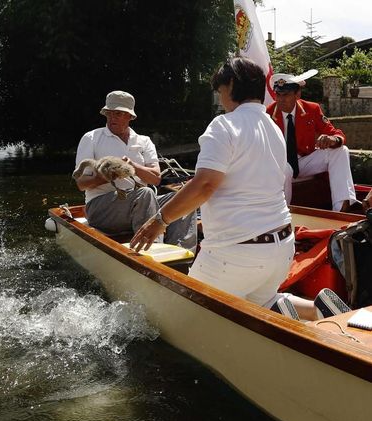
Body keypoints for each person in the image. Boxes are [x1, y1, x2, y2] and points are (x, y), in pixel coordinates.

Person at [130, 57, 349, 321]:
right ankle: (315, 309)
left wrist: (159, 220)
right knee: (263, 298)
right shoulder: (273, 128)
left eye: (220, 91)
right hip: (281, 248)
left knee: (184, 313)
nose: (221, 98)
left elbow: (205, 184)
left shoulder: (223, 125)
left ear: (231, 84)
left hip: (235, 253)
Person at [74, 91, 196, 251]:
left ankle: (182, 253)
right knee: (145, 194)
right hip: (100, 209)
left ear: (130, 117)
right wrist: (109, 174)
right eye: (108, 114)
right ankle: (153, 251)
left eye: (117, 114)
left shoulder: (144, 141)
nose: (111, 118)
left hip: (141, 202)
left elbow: (155, 179)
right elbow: (81, 184)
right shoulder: (91, 138)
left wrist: (131, 166)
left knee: (184, 198)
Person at [266, 71, 357, 212]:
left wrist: (332, 139)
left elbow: (336, 133)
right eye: (278, 95)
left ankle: (341, 209)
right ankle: (282, 214)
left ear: (297, 95)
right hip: (281, 164)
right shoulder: (267, 114)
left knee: (340, 150)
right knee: (285, 169)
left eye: (286, 95)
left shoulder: (312, 109)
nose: (281, 99)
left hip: (305, 161)